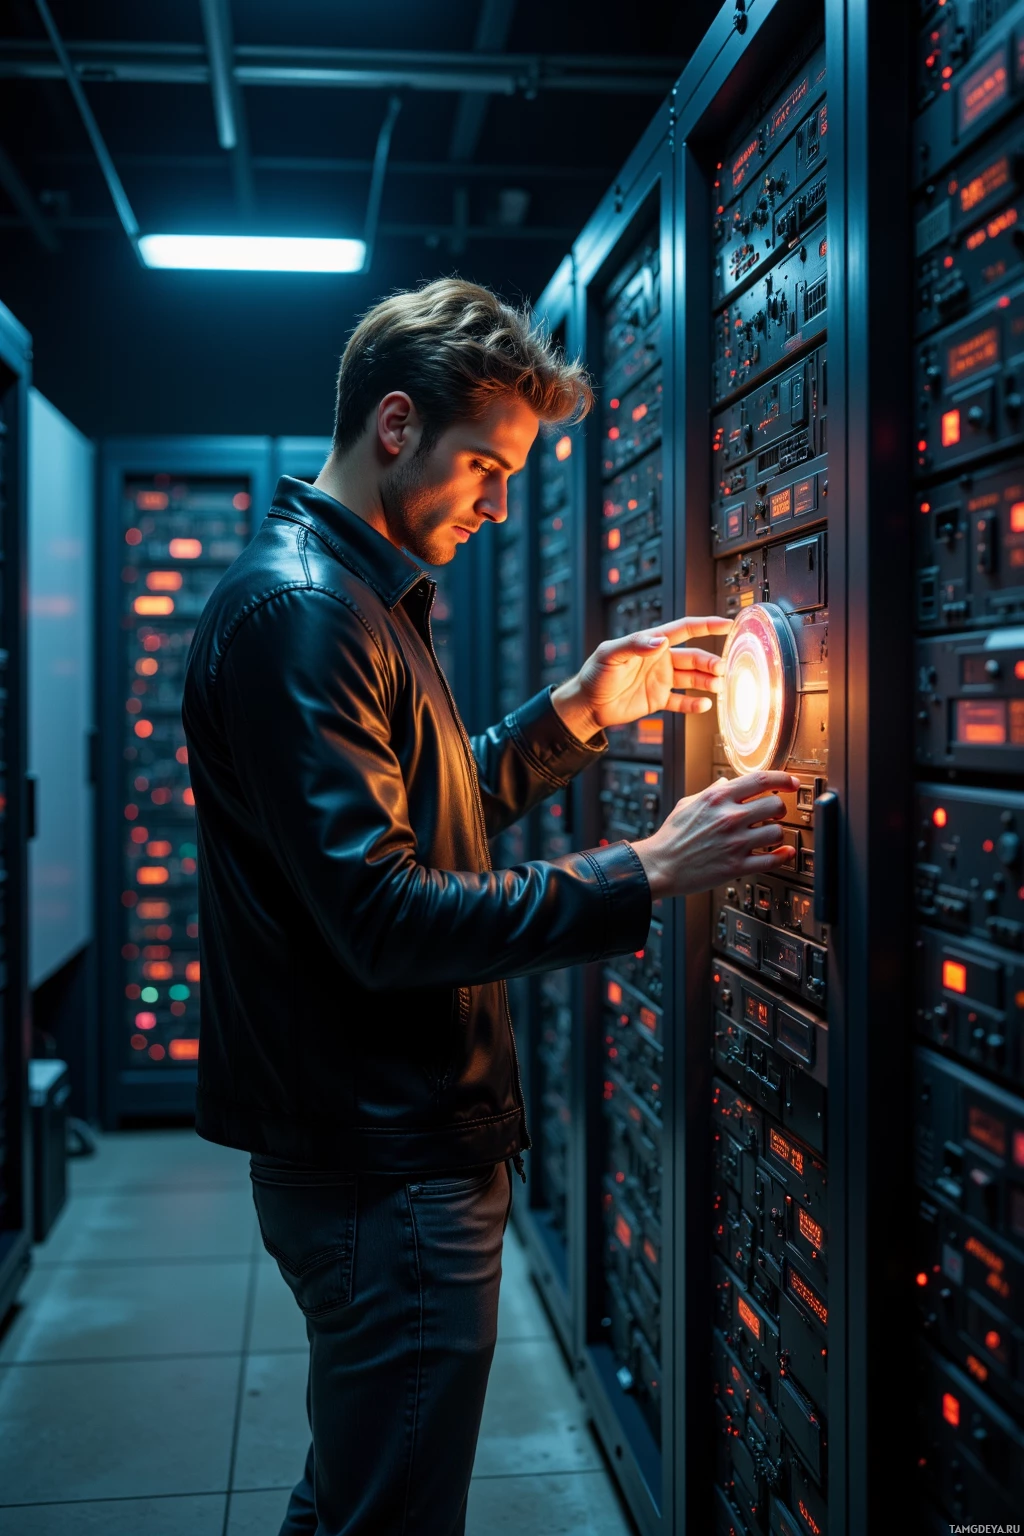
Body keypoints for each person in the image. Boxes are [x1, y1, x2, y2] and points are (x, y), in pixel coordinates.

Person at [182, 277, 797, 1536]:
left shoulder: (346, 595)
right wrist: (645, 871)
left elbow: (420, 812)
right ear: (395, 425)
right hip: (381, 1160)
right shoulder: (308, 613)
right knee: (390, 1512)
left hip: (370, 1145)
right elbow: (385, 916)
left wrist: (577, 712)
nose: (496, 503)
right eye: (486, 466)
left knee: (357, 1491)